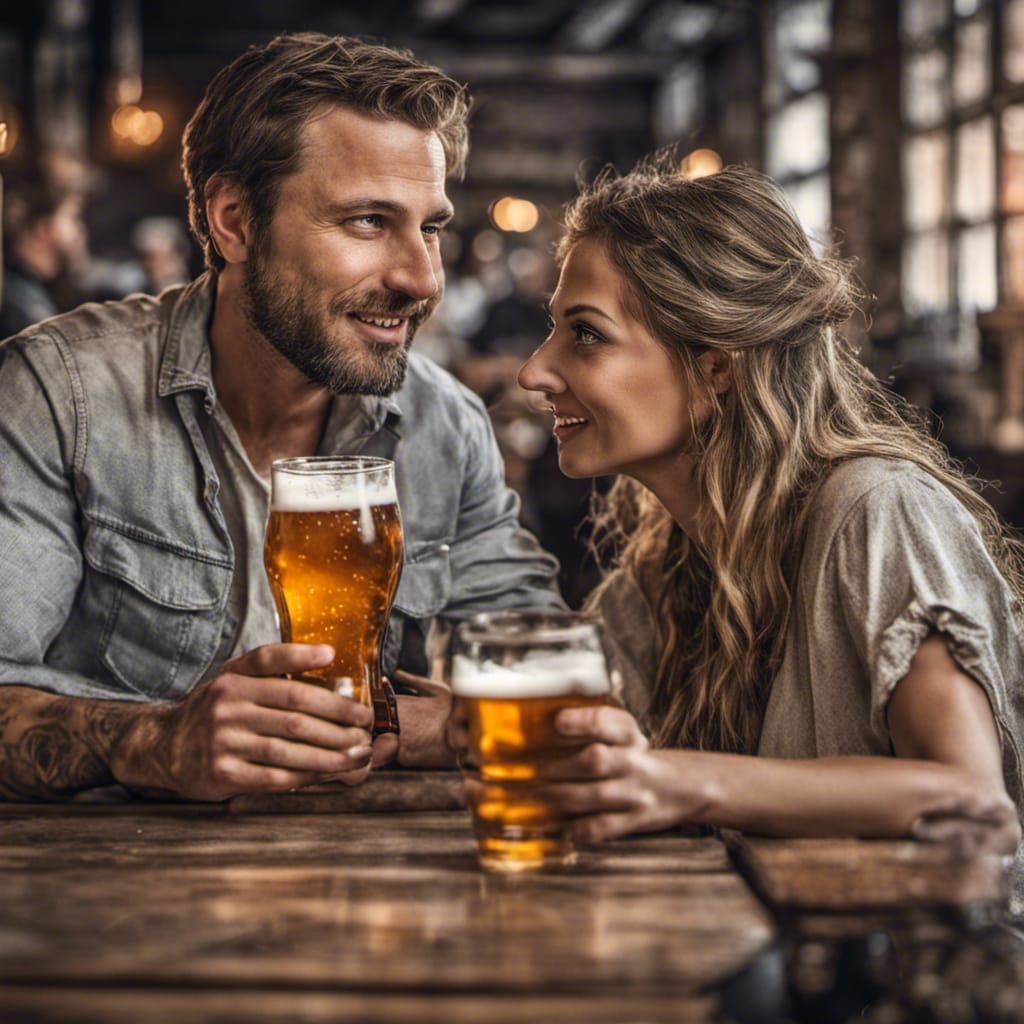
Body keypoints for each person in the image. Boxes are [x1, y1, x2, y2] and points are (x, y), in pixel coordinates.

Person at [0, 33, 562, 803]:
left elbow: (550, 688)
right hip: (105, 894)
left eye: (429, 226)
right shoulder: (63, 393)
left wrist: (425, 723)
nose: (421, 277)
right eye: (368, 221)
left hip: (370, 898)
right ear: (233, 220)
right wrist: (152, 742)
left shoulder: (444, 424)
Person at [512, 159, 1024, 890]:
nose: (534, 372)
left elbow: (971, 800)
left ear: (717, 367)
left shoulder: (877, 509)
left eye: (585, 335)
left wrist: (680, 781)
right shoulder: (661, 571)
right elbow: (582, 745)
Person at [0, 175, 87, 337]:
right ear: (44, 228)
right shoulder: (20, 304)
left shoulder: (35, 289)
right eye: (72, 217)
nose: (80, 230)